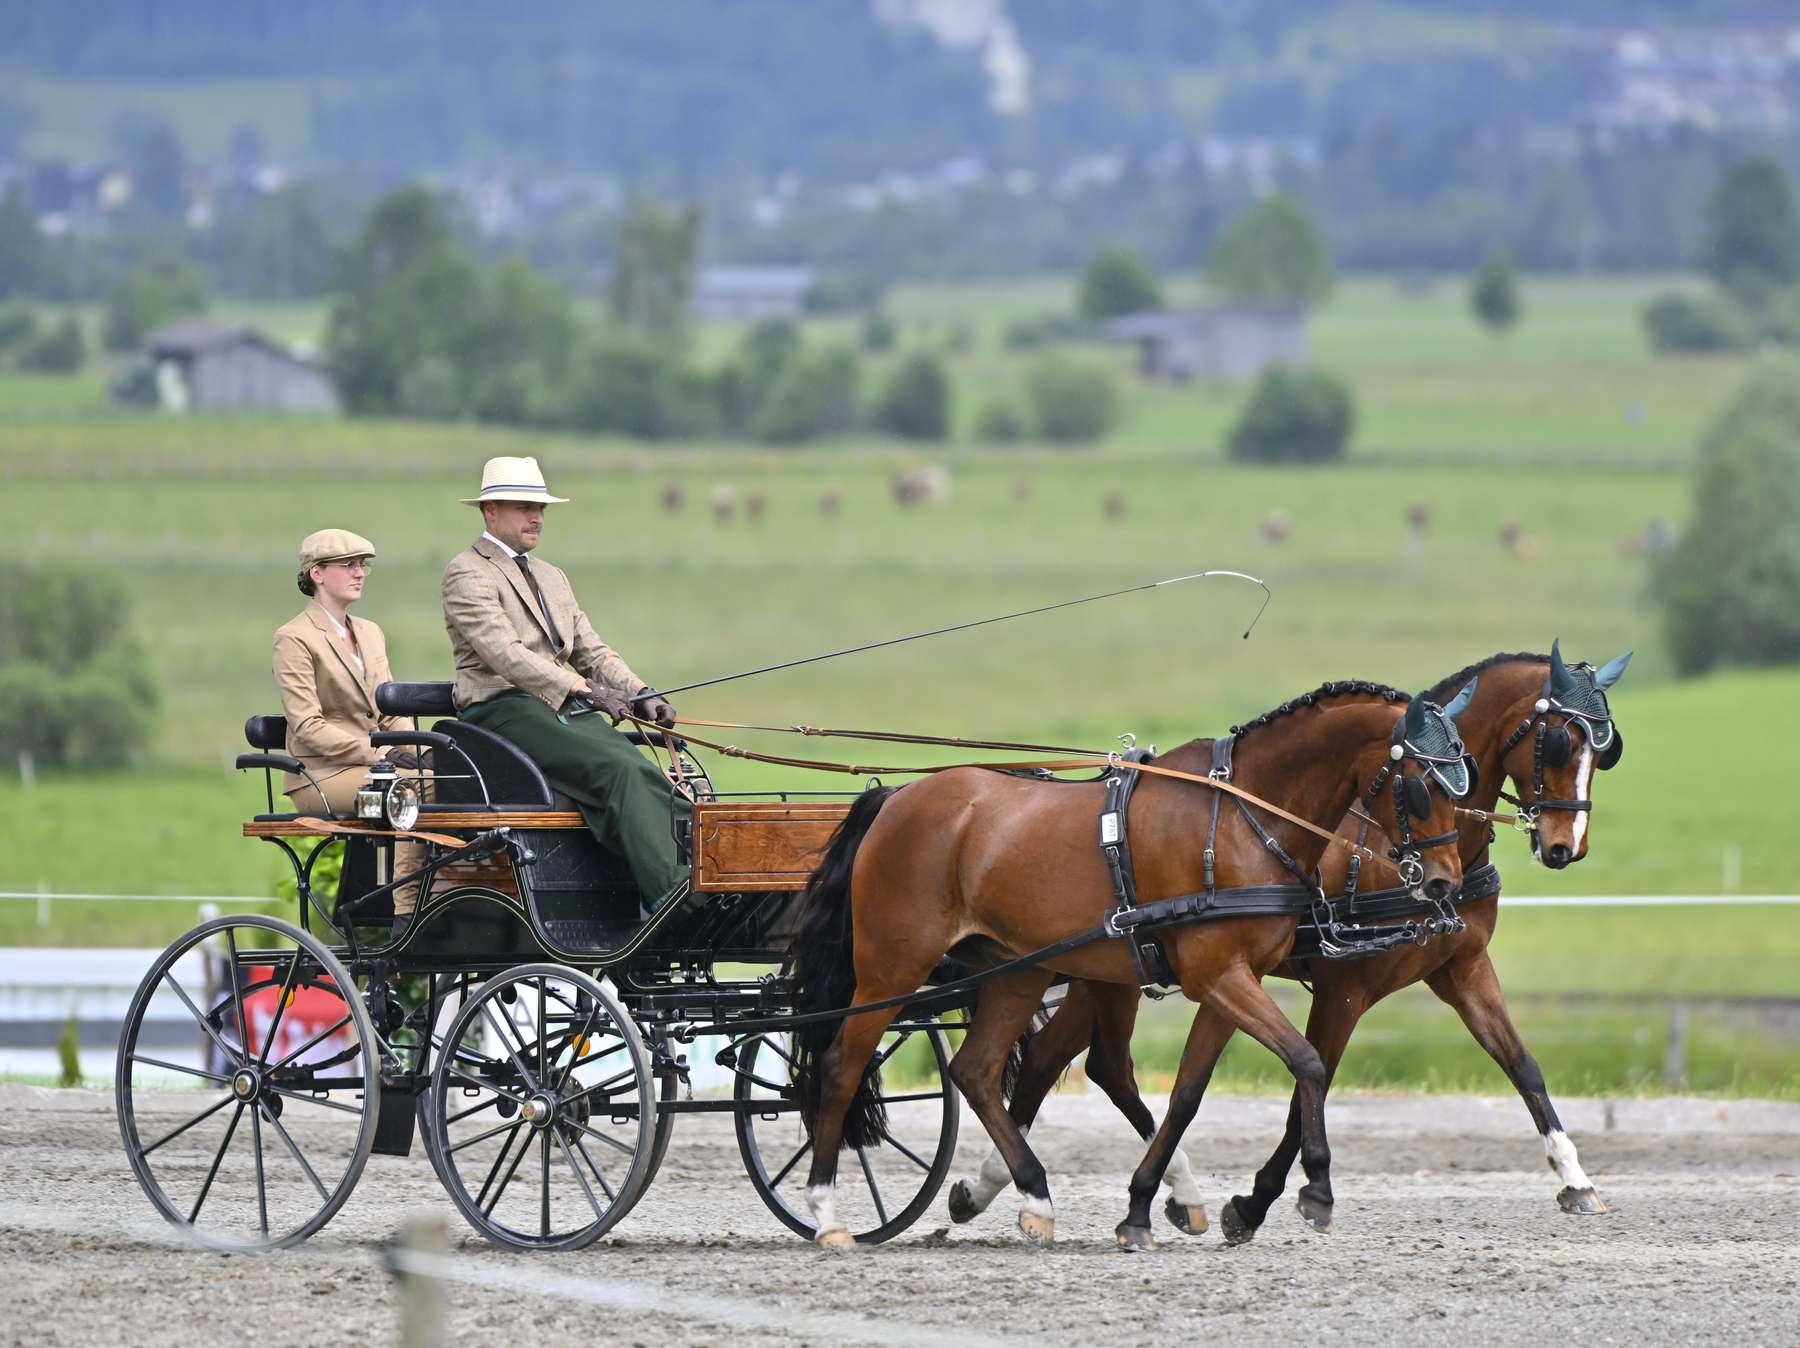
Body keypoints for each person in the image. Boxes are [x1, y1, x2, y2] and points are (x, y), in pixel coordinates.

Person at [441, 457, 690, 912]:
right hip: (500, 712)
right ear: (490, 511)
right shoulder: (467, 573)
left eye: (540, 508)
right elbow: (505, 654)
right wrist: (581, 688)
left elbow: (592, 651)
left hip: (557, 710)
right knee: (620, 770)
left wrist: (641, 692)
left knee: (653, 776)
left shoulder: (553, 577)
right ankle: (677, 898)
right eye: (523, 507)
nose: (536, 517)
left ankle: (701, 873)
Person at [272, 529, 427, 925]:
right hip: (321, 776)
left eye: (362, 566)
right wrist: (379, 754)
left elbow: (388, 707)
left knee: (448, 775)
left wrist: (410, 745)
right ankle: (408, 911)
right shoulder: (294, 638)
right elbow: (307, 724)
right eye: (348, 565)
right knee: (415, 785)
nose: (359, 573)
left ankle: (444, 894)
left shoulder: (371, 633)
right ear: (317, 574)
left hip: (378, 768)